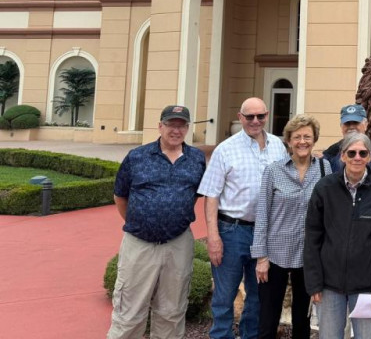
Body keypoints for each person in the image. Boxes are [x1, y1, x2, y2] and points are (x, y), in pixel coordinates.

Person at [107, 105, 206, 339]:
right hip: (139, 243)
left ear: (187, 128)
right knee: (129, 312)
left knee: (172, 312)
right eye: (171, 124)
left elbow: (196, 196)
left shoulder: (196, 159)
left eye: (181, 125)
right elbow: (120, 196)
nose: (176, 129)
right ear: (160, 126)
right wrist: (141, 223)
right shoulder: (137, 156)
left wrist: (173, 218)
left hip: (178, 243)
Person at [199, 97, 288, 339]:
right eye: (250, 117)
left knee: (258, 296)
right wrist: (213, 236)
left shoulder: (279, 147)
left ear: (267, 115)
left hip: (265, 233)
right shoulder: (225, 149)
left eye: (260, 116)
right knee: (225, 296)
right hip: (232, 231)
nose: (255, 121)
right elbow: (211, 195)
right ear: (240, 118)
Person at [304, 132, 371, 339]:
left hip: (367, 287)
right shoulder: (324, 188)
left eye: (363, 153)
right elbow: (312, 238)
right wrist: (313, 282)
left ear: (370, 157)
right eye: (352, 152)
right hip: (328, 286)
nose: (357, 157)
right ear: (342, 156)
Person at [251, 114, 332, 339]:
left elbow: (331, 213)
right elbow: (262, 214)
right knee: (268, 319)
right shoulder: (274, 171)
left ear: (314, 139)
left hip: (309, 256)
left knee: (302, 321)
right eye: (297, 137)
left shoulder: (325, 169)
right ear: (288, 141)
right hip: (275, 254)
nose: (302, 141)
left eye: (307, 136)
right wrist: (261, 257)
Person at [321, 104, 371, 184]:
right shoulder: (330, 156)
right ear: (341, 126)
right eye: (347, 123)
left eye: (356, 123)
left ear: (366, 125)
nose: (351, 127)